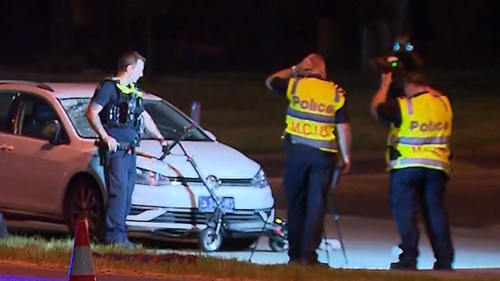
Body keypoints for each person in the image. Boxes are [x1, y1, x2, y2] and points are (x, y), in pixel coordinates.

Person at [265, 53, 352, 266]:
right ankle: (308, 255)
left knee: (296, 204)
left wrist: (295, 69)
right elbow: (343, 127)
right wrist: (347, 156)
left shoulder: (295, 85)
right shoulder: (335, 92)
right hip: (324, 154)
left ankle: (294, 255)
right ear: (323, 70)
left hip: (297, 152)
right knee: (316, 205)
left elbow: (270, 81)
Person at [370, 71, 455, 271]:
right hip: (436, 166)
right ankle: (444, 260)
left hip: (406, 166)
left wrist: (384, 85)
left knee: (406, 214)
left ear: (408, 85)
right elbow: (434, 94)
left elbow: (377, 109)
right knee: (436, 213)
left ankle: (409, 258)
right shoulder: (443, 103)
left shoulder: (404, 105)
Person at [86, 51, 167, 248]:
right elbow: (91, 112)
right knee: (118, 192)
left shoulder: (132, 90)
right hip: (116, 151)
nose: (141, 74)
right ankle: (114, 237)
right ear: (129, 68)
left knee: (127, 192)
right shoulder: (108, 88)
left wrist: (159, 137)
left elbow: (143, 115)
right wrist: (105, 137)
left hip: (130, 150)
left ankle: (120, 235)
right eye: (139, 69)